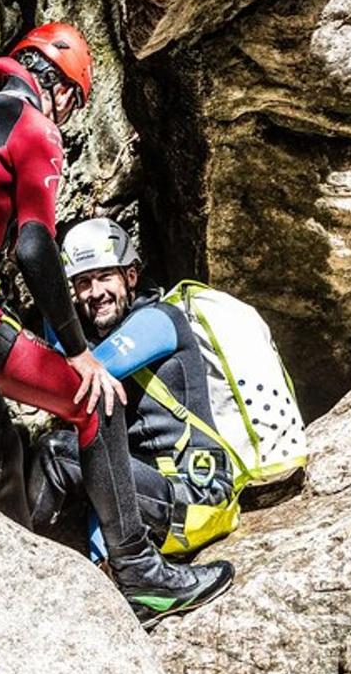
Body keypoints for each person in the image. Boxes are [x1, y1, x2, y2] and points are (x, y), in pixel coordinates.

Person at [0, 23, 233, 627]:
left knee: (2, 455)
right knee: (96, 401)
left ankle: (7, 588)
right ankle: (142, 575)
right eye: (74, 103)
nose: (68, 116)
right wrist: (77, 351)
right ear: (60, 89)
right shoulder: (31, 127)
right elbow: (35, 249)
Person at [29, 218, 235, 557]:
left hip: (195, 493)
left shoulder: (161, 320)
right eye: (83, 283)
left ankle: (11, 550)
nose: (95, 293)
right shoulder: (95, 341)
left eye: (105, 277)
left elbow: (69, 382)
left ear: (131, 277)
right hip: (142, 493)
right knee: (96, 462)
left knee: (56, 451)